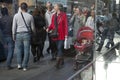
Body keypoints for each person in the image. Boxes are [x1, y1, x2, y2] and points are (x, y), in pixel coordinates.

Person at [12, 2, 35, 71]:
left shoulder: (16, 16)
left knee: (19, 50)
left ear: (20, 8)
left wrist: (13, 35)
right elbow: (33, 28)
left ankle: (19, 64)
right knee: (26, 50)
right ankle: (25, 66)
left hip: (18, 34)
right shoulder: (30, 16)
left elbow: (14, 27)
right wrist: (34, 33)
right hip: (27, 34)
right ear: (27, 8)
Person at [47, 3, 68, 69]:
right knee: (58, 48)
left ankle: (57, 63)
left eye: (55, 6)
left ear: (58, 7)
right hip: (55, 35)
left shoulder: (64, 15)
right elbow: (52, 24)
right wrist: (48, 28)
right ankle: (62, 59)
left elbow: (66, 25)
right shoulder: (53, 15)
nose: (54, 7)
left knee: (59, 48)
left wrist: (66, 35)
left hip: (61, 35)